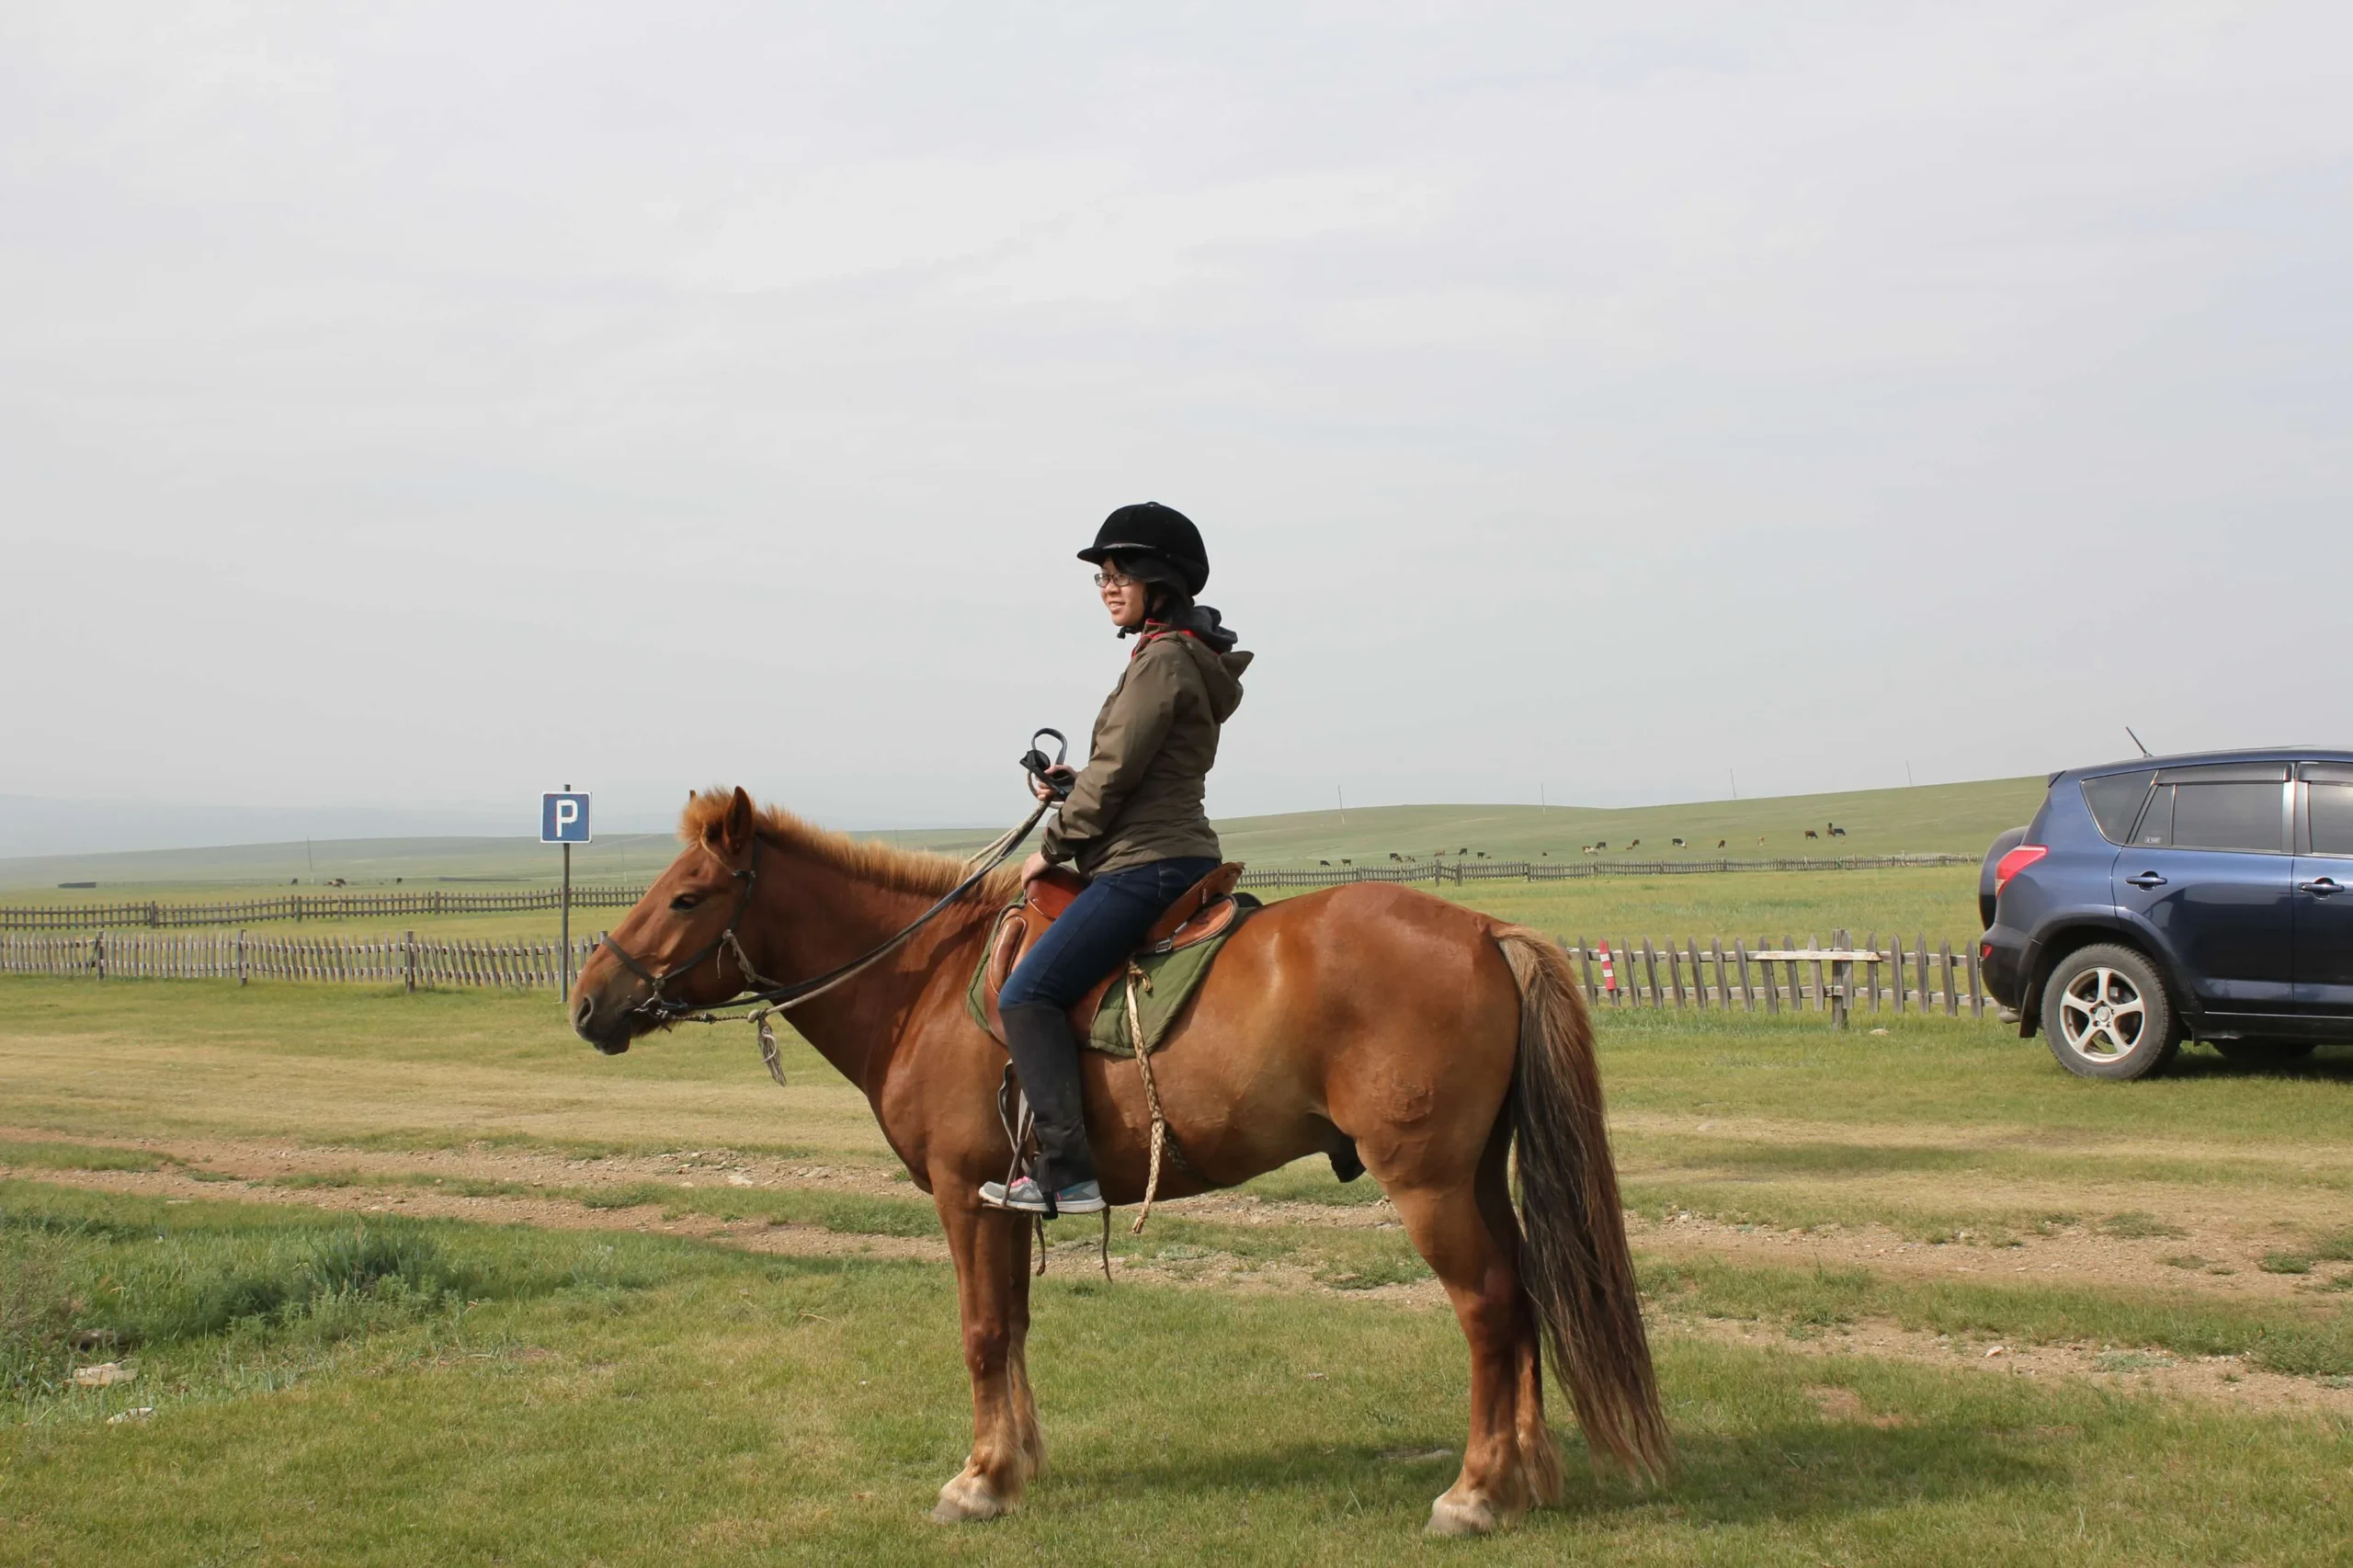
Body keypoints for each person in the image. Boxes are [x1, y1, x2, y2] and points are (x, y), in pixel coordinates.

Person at [981, 503, 1252, 1216]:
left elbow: (1116, 776)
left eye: (1120, 573)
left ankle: (1065, 1171)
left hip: (1146, 864)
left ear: (1160, 582)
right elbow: (1127, 772)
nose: (1107, 586)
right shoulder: (1173, 657)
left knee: (1026, 995)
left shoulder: (1161, 660)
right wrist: (1074, 788)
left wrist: (1053, 845)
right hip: (1170, 850)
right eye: (1101, 576)